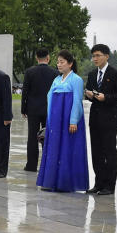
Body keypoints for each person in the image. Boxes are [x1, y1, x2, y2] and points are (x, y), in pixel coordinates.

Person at [37, 50, 89, 192]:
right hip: (55, 121)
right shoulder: (56, 79)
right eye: (58, 62)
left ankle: (64, 183)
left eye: (62, 62)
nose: (59, 64)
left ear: (70, 64)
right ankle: (51, 181)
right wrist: (50, 118)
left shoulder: (76, 80)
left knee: (66, 149)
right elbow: (50, 98)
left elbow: (77, 101)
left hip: (68, 121)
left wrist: (73, 120)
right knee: (54, 149)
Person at [85, 44, 117, 195]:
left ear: (106, 56)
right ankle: (98, 183)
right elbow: (89, 92)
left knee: (109, 152)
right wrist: (89, 95)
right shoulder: (91, 74)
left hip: (110, 119)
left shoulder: (115, 73)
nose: (95, 59)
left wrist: (106, 97)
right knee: (96, 152)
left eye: (98, 55)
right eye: (93, 56)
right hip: (95, 119)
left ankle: (110, 185)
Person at [21, 48, 56, 172]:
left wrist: (23, 109)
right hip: (49, 109)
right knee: (48, 137)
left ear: (36, 58)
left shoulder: (30, 72)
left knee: (32, 137)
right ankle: (47, 164)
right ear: (48, 58)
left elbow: (25, 91)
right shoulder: (55, 73)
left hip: (33, 109)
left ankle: (31, 165)